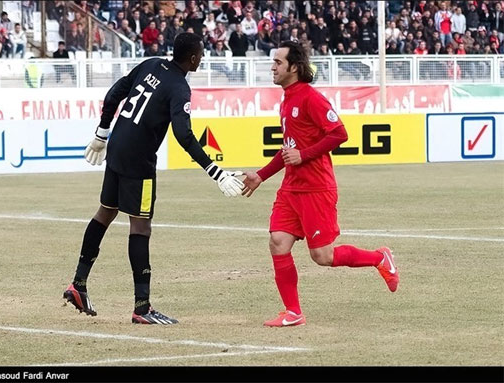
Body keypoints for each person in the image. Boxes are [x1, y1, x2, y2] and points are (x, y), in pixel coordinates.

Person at [63, 33, 244, 325]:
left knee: (105, 213)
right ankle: (142, 307)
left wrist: (102, 132)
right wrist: (215, 171)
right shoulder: (179, 88)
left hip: (118, 148)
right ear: (194, 58)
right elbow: (184, 135)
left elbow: (113, 94)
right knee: (140, 226)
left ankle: (78, 284)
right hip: (139, 161)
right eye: (201, 55)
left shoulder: (150, 64)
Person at [242, 41, 399, 327]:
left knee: (322, 256)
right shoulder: (287, 99)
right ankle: (293, 312)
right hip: (291, 188)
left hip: (316, 188)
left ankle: (379, 258)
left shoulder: (311, 98)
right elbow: (288, 148)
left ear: (295, 67)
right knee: (278, 242)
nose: (272, 67)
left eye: (278, 62)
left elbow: (339, 134)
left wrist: (304, 154)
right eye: (273, 62)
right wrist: (261, 175)